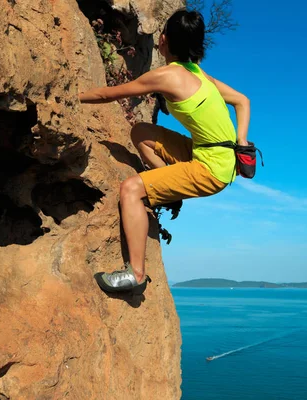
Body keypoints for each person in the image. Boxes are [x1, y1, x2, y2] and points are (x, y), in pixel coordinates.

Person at [79, 9, 250, 292]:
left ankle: (135, 275)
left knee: (131, 190)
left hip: (211, 170)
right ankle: (170, 193)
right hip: (211, 154)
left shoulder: (167, 76)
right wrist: (241, 141)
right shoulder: (201, 75)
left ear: (163, 39)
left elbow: (109, 94)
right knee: (141, 133)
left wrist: (70, 97)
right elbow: (242, 101)